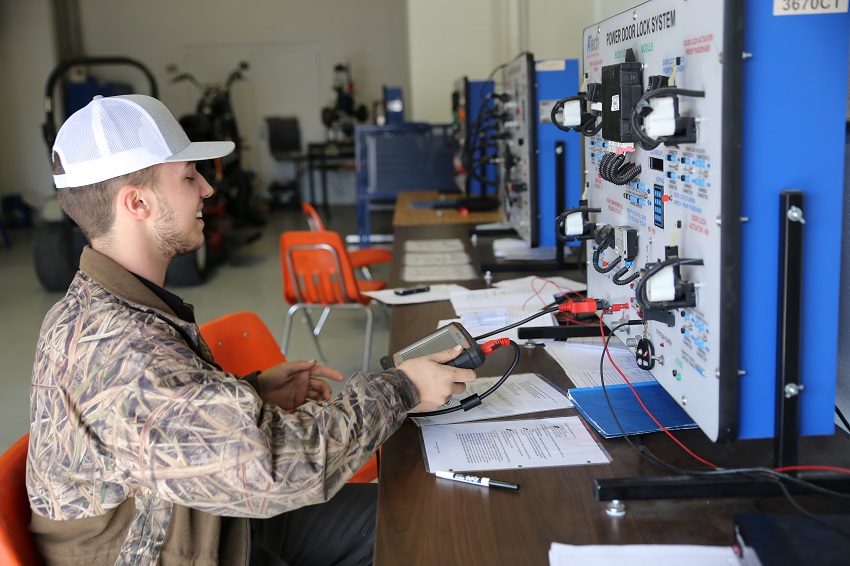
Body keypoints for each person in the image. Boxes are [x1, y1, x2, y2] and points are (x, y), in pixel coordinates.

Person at [27, 94, 476, 565]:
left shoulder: (101, 303)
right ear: (136, 202)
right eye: (187, 176)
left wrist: (255, 393)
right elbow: (281, 467)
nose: (207, 189)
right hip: (170, 547)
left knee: (417, 517)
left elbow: (157, 427)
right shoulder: (126, 350)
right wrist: (402, 389)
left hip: (200, 519)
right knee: (425, 538)